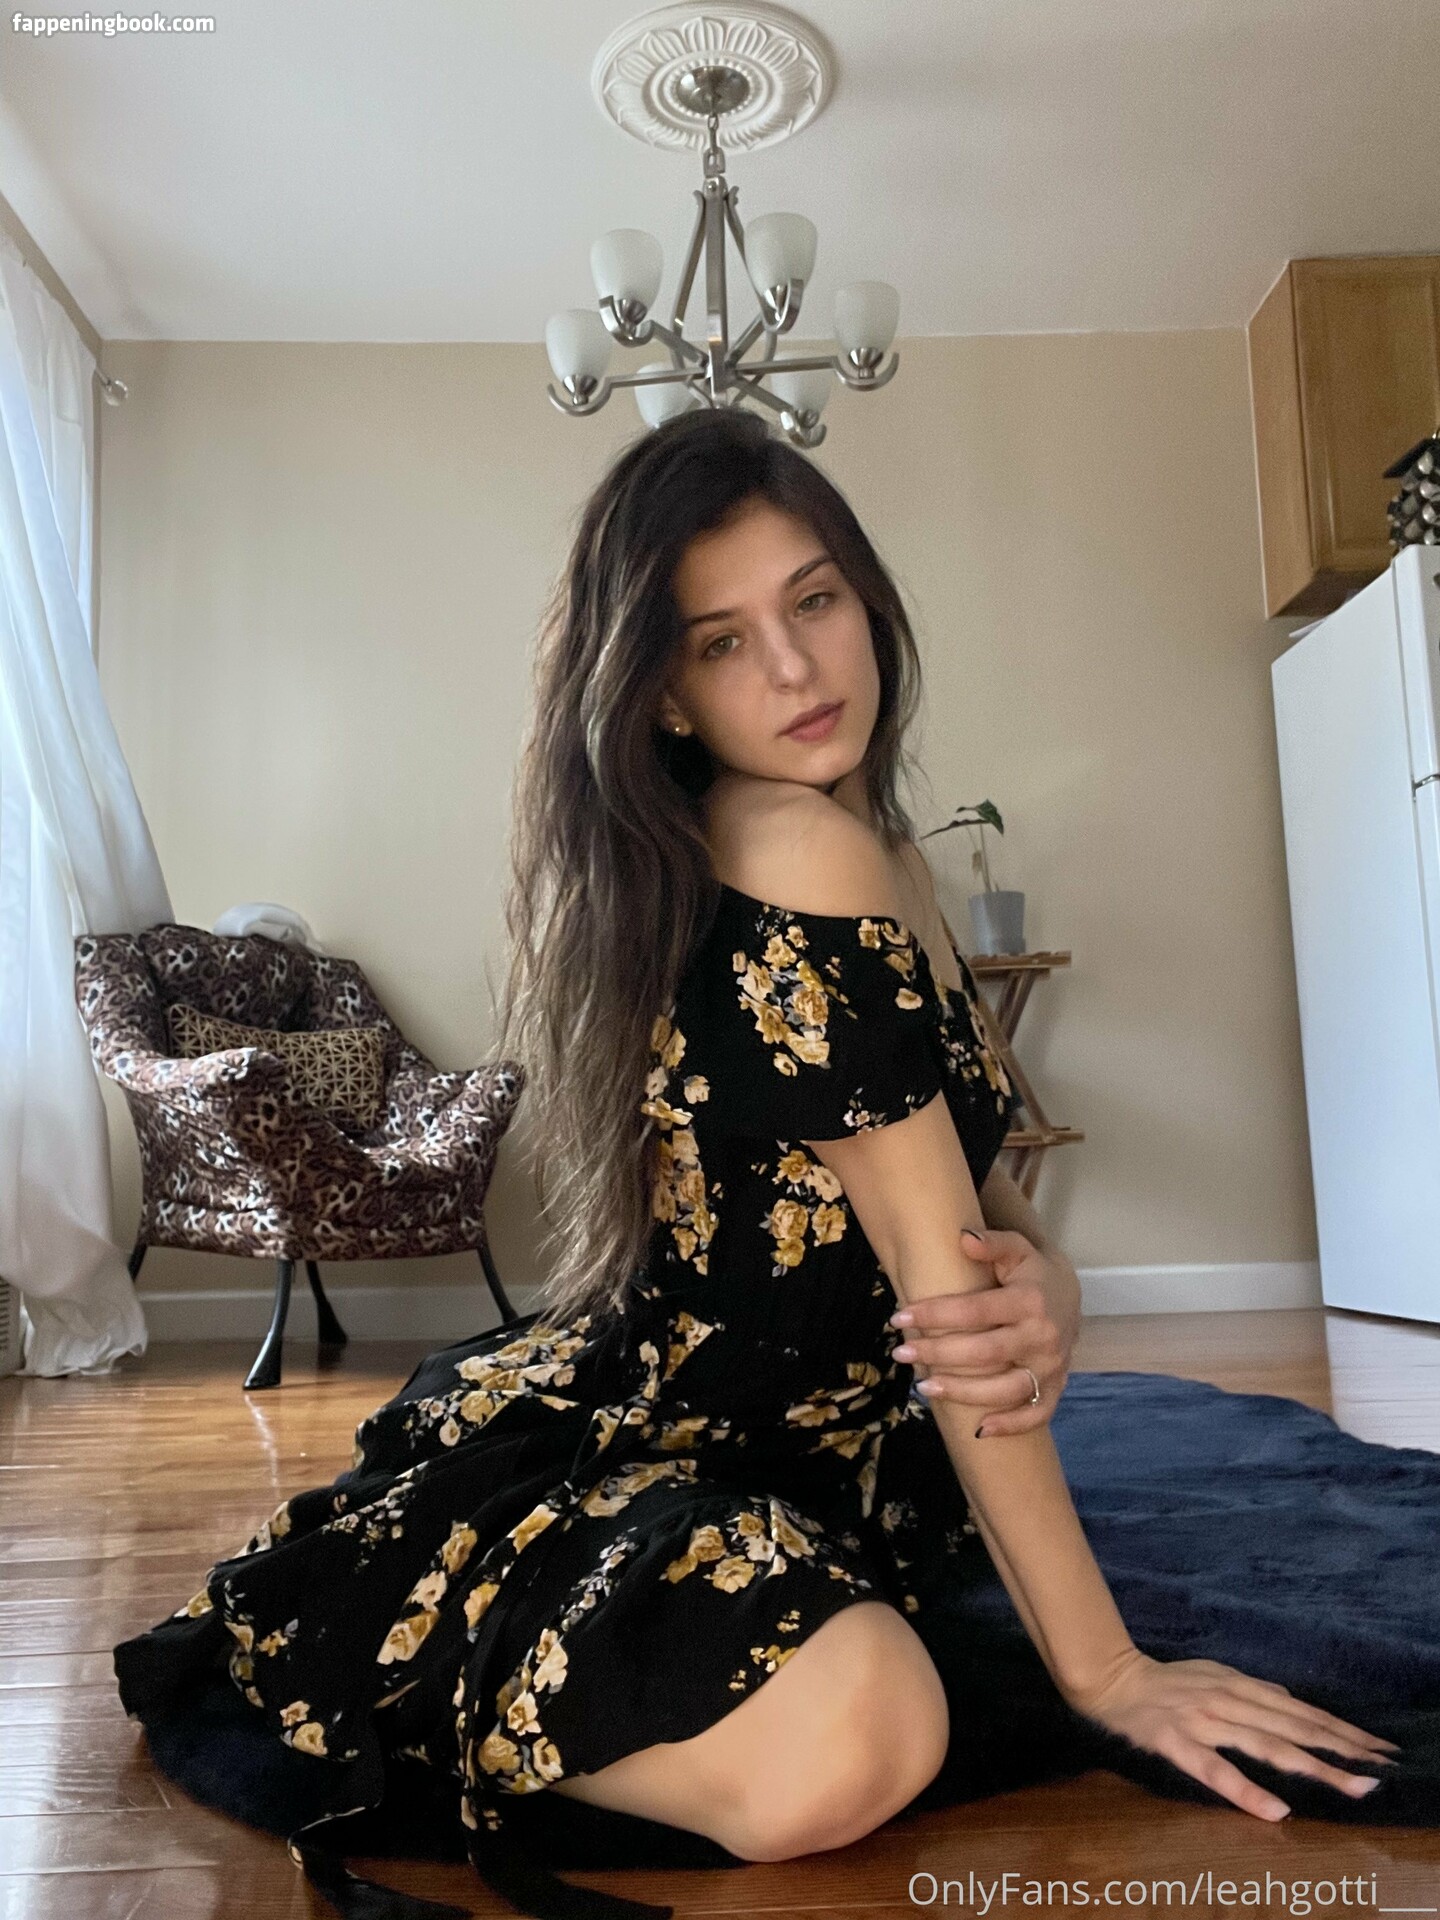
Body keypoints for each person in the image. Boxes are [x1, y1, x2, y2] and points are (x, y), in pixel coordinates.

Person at [114, 408, 1437, 1920]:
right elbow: (941, 1284)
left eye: (814, 600)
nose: (798, 669)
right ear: (665, 695)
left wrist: (1053, 1283)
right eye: (723, 641)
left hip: (830, 1457)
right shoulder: (797, 855)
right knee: (858, 1739)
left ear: (866, 598)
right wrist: (1109, 1674)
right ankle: (430, 1680)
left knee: (867, 1703)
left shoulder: (877, 857)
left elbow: (971, 1209)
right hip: (662, 1446)